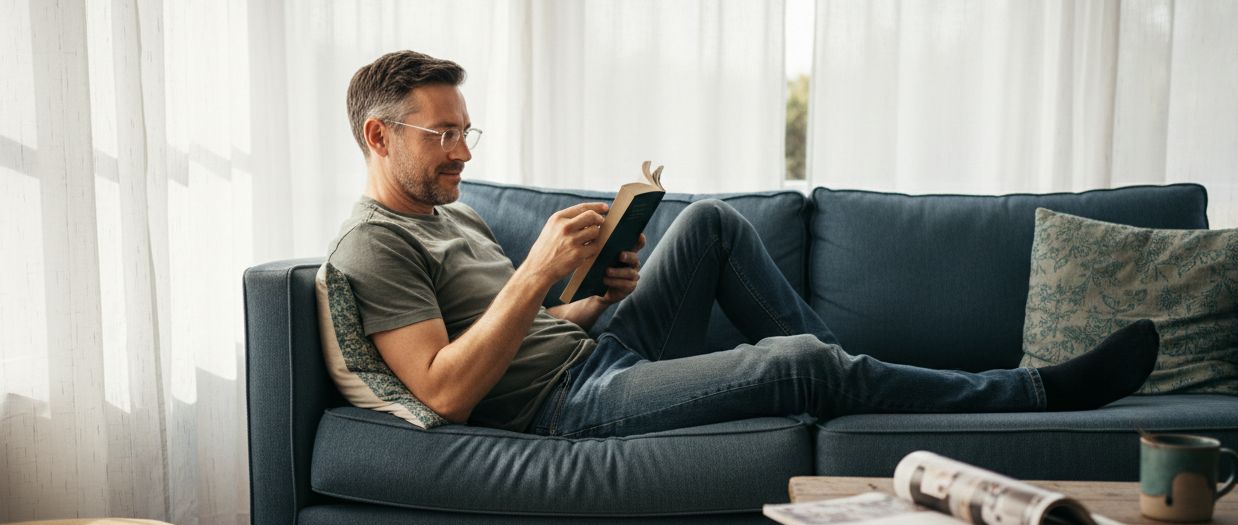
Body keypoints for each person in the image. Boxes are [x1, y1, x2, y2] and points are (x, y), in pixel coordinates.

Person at [328, 50, 1158, 439]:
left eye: (468, 132)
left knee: (713, 225)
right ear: (379, 135)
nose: (465, 153)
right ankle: (1039, 393)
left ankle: (846, 391)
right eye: (444, 136)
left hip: (592, 354)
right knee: (794, 362)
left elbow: (529, 336)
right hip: (567, 407)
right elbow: (443, 396)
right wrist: (536, 272)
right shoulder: (373, 250)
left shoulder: (449, 214)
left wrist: (587, 300)